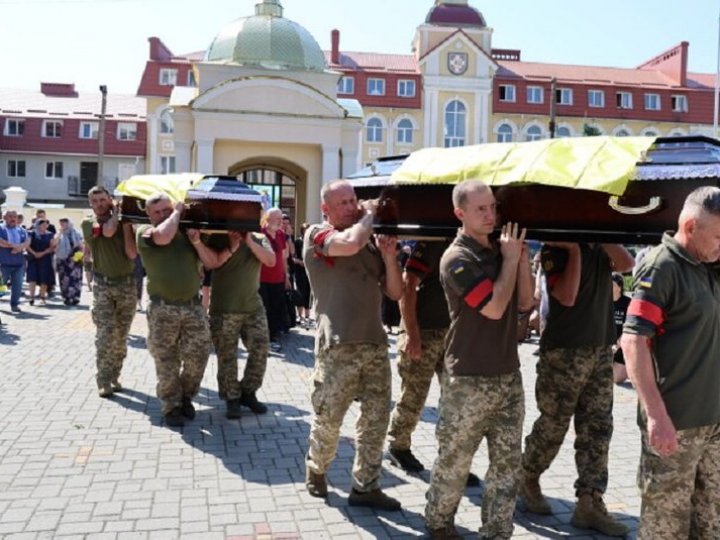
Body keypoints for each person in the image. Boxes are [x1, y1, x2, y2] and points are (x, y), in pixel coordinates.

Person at [424, 181, 533, 540]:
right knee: (455, 462)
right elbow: (495, 307)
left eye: (493, 208)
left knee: (506, 467)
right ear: (460, 214)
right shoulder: (457, 258)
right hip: (468, 378)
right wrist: (511, 260)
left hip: (507, 375)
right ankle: (439, 524)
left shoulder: (503, 249)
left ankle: (497, 532)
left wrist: (521, 261)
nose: (491, 215)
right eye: (481, 209)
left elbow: (524, 303)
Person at [621, 186, 720, 540]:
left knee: (710, 522)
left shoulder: (708, 264)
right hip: (674, 424)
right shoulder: (661, 267)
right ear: (691, 228)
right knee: (665, 526)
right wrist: (656, 416)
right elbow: (633, 342)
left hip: (712, 421)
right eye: (719, 236)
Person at [519, 240, 634, 537]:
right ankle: (526, 476)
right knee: (553, 426)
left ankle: (589, 502)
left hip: (599, 348)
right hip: (564, 351)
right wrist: (573, 250)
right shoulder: (555, 247)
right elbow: (566, 297)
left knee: (598, 428)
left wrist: (604, 237)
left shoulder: (600, 246)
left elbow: (627, 265)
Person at [303, 179, 403, 511]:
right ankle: (317, 469)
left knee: (376, 420)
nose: (351, 206)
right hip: (337, 346)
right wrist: (370, 215)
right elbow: (348, 244)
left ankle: (365, 486)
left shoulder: (370, 242)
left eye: (353, 201)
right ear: (326, 209)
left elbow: (395, 292)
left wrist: (389, 257)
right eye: (342, 202)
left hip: (374, 344)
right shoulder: (317, 236)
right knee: (329, 419)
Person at [136, 193, 220, 428]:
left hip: (192, 307)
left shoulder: (185, 234)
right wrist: (177, 212)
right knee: (166, 360)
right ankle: (171, 406)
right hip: (163, 308)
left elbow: (211, 262)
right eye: (157, 212)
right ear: (149, 215)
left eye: (166, 209)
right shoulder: (143, 231)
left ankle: (185, 397)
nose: (163, 214)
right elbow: (163, 237)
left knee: (199, 356)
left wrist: (196, 242)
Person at [206, 230, 276, 419]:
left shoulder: (260, 239)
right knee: (227, 356)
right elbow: (208, 262)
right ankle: (232, 398)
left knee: (261, 349)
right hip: (224, 308)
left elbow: (271, 261)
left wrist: (250, 242)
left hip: (253, 307)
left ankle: (248, 392)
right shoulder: (217, 237)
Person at [81, 186, 138, 398]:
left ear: (109, 199)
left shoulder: (123, 221)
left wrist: (126, 223)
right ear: (90, 204)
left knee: (121, 336)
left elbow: (132, 253)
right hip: (103, 286)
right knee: (105, 335)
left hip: (127, 285)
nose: (99, 204)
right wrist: (117, 213)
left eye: (102, 200)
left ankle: (114, 375)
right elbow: (107, 231)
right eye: (94, 201)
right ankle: (103, 380)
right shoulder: (89, 223)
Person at [259, 208, 290, 351]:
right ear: (267, 219)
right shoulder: (260, 233)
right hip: (261, 279)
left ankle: (273, 336)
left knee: (276, 308)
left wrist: (286, 277)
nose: (280, 221)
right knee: (263, 308)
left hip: (278, 278)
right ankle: (264, 338)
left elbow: (283, 258)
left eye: (280, 219)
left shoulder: (281, 235)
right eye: (277, 218)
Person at [0, 210, 30, 312]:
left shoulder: (21, 230)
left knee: (17, 285)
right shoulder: (1, 228)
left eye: (15, 216)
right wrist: (14, 246)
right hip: (3, 264)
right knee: (1, 286)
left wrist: (20, 247)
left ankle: (14, 304)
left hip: (18, 264)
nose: (13, 218)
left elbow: (27, 242)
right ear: (4, 218)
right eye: (10, 216)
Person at [26, 218, 56, 305]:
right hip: (33, 258)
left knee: (44, 279)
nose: (44, 226)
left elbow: (52, 247)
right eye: (42, 224)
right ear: (37, 225)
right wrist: (34, 253)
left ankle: (42, 297)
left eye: (45, 224)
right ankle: (31, 298)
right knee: (32, 278)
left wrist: (42, 253)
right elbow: (27, 245)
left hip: (45, 258)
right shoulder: (31, 233)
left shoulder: (50, 234)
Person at [56, 218, 84, 306]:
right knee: (64, 279)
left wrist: (80, 254)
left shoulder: (76, 233)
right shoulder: (59, 234)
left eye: (65, 223)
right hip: (63, 260)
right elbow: (53, 243)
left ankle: (76, 297)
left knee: (76, 279)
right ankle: (66, 297)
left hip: (75, 259)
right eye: (61, 223)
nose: (63, 225)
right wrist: (60, 232)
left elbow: (82, 245)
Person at [611, 272, 630, 384]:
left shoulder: (628, 303)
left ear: (619, 287)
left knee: (616, 379)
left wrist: (618, 344)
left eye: (612, 285)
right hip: (609, 347)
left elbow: (629, 327)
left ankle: (630, 368)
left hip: (622, 347)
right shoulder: (605, 302)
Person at [292, 223, 312, 327]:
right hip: (300, 270)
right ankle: (300, 315)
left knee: (308, 292)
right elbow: (292, 257)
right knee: (300, 291)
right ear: (302, 230)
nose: (307, 231)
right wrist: (299, 262)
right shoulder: (298, 241)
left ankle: (307, 316)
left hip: (309, 270)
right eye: (305, 229)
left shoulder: (312, 242)